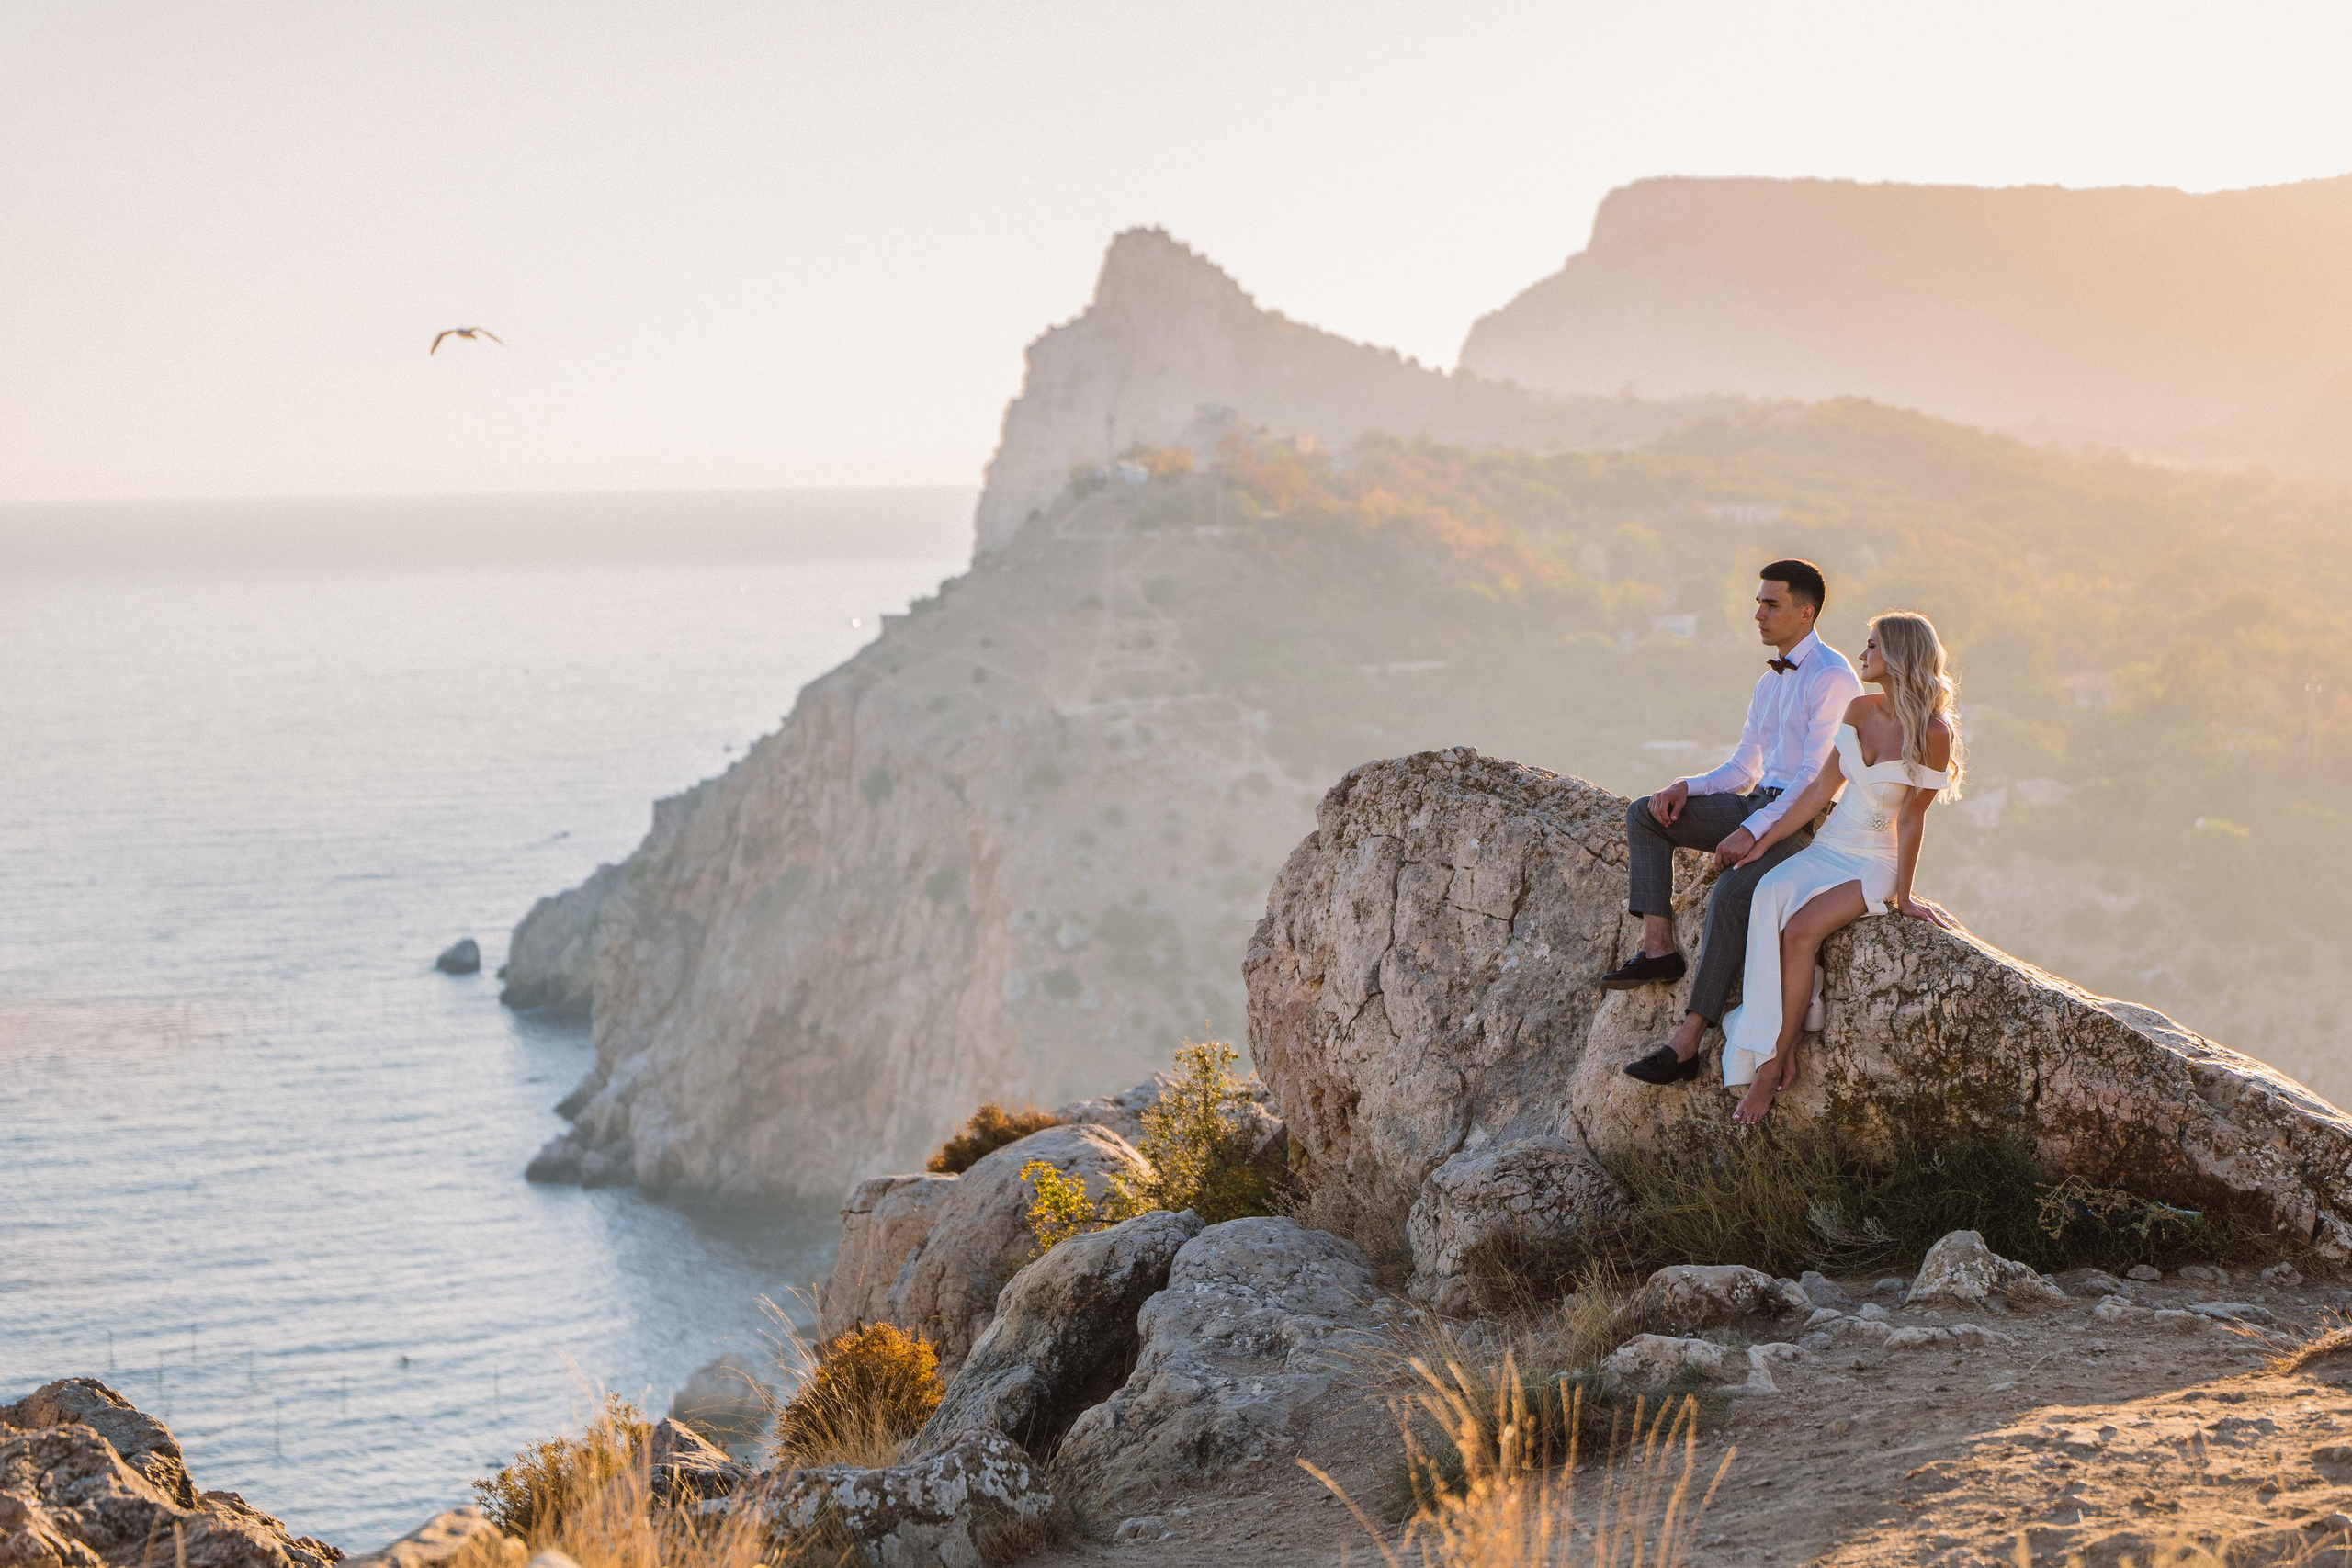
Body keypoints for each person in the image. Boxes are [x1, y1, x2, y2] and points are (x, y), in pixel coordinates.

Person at [1605, 560, 1862, 1086]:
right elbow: (1744, 768)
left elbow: (1817, 781)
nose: (1758, 614)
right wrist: (1686, 786)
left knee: (1732, 893)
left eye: (1771, 604)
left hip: (1801, 821)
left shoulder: (1832, 677)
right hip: (1758, 805)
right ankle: (1658, 950)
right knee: (1645, 814)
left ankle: (1686, 1043)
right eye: (1758, 602)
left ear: (1805, 611)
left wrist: (1757, 831)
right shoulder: (1769, 682)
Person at [1717, 611, 1964, 1124]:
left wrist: (1905, 898)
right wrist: (1764, 841)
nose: (1861, 656)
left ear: (1897, 656)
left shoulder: (1933, 733)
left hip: (1877, 858)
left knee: (1801, 931)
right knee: (1766, 895)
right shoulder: (1857, 708)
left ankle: (1772, 1061)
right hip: (1830, 844)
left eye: (1871, 646)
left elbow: (1913, 821)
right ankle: (1789, 1020)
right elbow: (1819, 791)